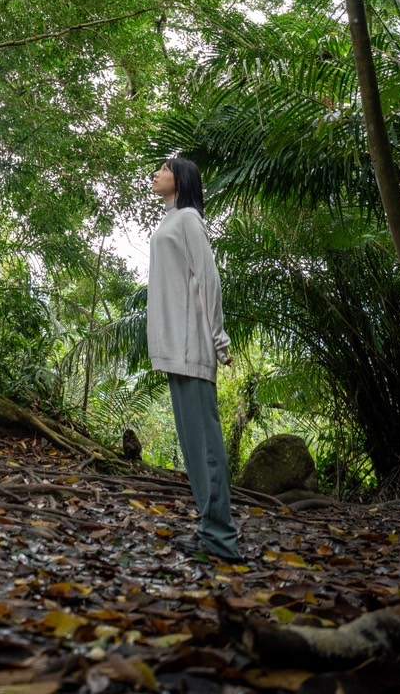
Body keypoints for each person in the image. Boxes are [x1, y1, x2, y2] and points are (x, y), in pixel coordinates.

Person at [147, 154, 243, 563]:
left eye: (165, 169)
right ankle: (209, 530)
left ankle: (222, 539)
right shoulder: (169, 221)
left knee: (206, 447)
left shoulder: (188, 220)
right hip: (173, 347)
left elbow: (208, 278)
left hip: (193, 345)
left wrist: (219, 339)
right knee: (192, 447)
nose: (156, 174)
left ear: (182, 179)